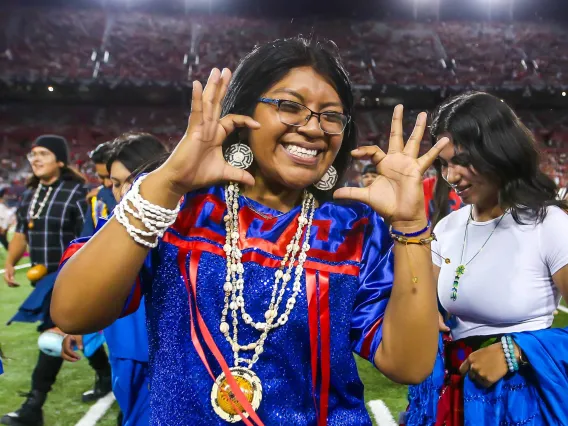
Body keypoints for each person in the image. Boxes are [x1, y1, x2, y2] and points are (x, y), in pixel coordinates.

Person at [52, 38, 449, 425]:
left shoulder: (353, 232)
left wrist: (411, 225)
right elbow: (73, 312)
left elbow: (408, 364)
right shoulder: (180, 208)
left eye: (331, 116)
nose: (314, 128)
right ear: (244, 114)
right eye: (290, 107)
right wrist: (169, 181)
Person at [405, 92, 568, 426]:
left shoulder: (548, 223)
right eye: (445, 163)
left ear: (499, 151)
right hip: (453, 401)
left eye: (463, 160)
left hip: (523, 405)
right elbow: (418, 304)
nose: (452, 176)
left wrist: (515, 352)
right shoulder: (447, 227)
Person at [2, 135, 112, 426]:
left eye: (43, 154)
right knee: (75, 332)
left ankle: (33, 406)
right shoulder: (30, 194)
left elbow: (88, 238)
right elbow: (23, 233)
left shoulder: (78, 193)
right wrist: (11, 263)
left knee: (51, 335)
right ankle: (105, 375)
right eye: (32, 154)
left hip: (67, 275)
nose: (35, 159)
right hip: (41, 276)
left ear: (60, 161)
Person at [61, 132, 168, 426]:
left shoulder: (190, 226)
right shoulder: (114, 226)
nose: (120, 192)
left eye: (128, 181)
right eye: (115, 183)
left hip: (170, 355)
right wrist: (73, 325)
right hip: (123, 345)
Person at [81, 141, 118, 237]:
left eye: (110, 177)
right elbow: (86, 239)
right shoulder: (97, 199)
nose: (107, 183)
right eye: (101, 177)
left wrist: (103, 194)